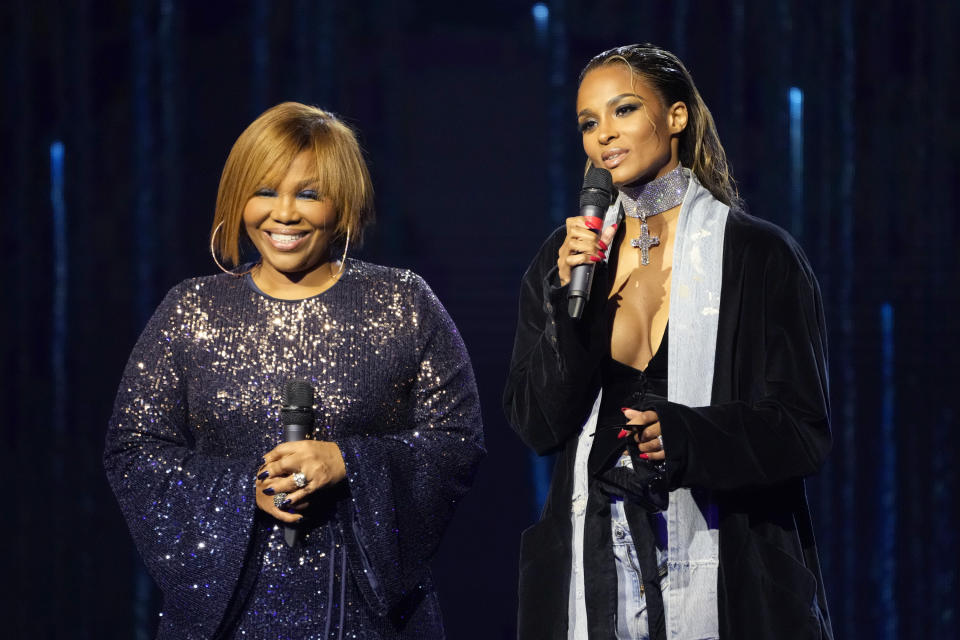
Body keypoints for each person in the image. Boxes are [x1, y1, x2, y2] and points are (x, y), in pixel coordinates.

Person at [104, 102, 485, 639]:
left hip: (370, 616)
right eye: (264, 191)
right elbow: (134, 450)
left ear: (343, 202)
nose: (284, 213)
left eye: (308, 193)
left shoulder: (403, 303)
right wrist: (245, 491)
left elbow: (457, 442)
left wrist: (345, 461)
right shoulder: (190, 310)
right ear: (238, 199)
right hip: (228, 616)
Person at [503, 44, 833, 639]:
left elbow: (801, 432)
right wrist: (567, 303)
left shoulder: (758, 255)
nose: (604, 134)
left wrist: (687, 435)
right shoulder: (566, 262)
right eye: (587, 122)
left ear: (676, 116)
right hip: (594, 563)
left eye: (623, 110)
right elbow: (536, 424)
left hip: (724, 561)